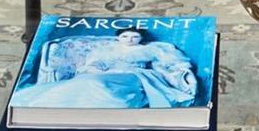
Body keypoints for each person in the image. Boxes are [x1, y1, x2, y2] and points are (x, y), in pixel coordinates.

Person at [12, 24, 202, 109]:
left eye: (134, 37)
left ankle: (113, 105)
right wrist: (95, 69)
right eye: (125, 36)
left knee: (101, 85)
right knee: (88, 81)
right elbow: (93, 64)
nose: (130, 39)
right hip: (104, 73)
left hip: (134, 75)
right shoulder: (107, 49)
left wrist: (179, 75)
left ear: (141, 38)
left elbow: (172, 61)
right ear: (119, 37)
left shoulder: (152, 48)